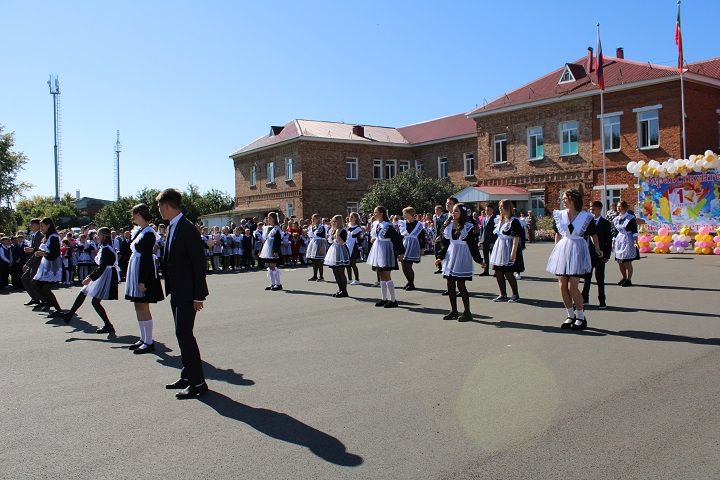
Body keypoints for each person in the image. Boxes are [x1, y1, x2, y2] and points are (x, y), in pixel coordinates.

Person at [157, 188, 210, 399]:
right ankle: (187, 375)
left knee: (185, 334)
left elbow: (199, 264)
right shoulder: (173, 226)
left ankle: (198, 382)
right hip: (177, 291)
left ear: (167, 206)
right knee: (181, 334)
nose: (159, 210)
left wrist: (199, 295)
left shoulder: (187, 229)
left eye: (160, 206)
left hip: (189, 292)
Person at [546, 190, 603, 330]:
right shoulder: (559, 215)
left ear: (573, 200)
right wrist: (556, 250)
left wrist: (597, 248)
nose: (563, 200)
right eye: (563, 198)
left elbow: (593, 234)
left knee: (573, 286)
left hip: (578, 249)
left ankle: (581, 316)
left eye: (566, 198)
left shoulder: (585, 217)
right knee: (562, 285)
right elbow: (558, 234)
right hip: (563, 249)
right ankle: (570, 315)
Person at [61, 227, 119, 333]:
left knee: (95, 301)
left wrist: (90, 278)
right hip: (103, 273)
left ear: (104, 236)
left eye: (99, 234)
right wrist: (90, 278)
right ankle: (69, 314)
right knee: (83, 292)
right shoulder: (105, 247)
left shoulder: (106, 248)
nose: (97, 236)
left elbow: (102, 267)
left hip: (106, 274)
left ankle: (108, 325)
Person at [124, 204, 165, 354]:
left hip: (143, 272)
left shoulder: (149, 233)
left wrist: (142, 281)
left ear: (140, 214)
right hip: (136, 269)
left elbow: (147, 258)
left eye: (134, 214)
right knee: (138, 305)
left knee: (143, 305)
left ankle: (148, 341)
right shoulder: (140, 231)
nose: (133, 217)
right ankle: (143, 338)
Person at [435, 203, 483, 322]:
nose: (453, 213)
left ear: (462, 213)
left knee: (461, 285)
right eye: (453, 211)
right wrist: (440, 257)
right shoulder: (448, 225)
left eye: (456, 211)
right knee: (450, 284)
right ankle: (454, 311)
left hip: (462, 256)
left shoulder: (467, 226)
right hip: (451, 256)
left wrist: (480, 260)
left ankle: (467, 312)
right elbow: (446, 244)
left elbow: (472, 245)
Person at [366, 206, 405, 308]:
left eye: (376, 212)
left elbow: (397, 239)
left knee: (387, 275)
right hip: (379, 250)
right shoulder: (377, 224)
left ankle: (393, 300)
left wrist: (401, 252)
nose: (374, 214)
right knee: (381, 275)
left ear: (381, 213)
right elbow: (375, 237)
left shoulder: (388, 226)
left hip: (386, 251)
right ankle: (384, 298)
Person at [488, 199, 525, 302]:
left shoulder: (514, 221)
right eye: (500, 207)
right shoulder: (500, 220)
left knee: (508, 272)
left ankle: (515, 294)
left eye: (502, 207)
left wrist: (513, 252)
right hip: (500, 247)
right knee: (498, 271)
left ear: (508, 208)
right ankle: (503, 294)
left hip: (509, 247)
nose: (500, 209)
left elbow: (516, 237)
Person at [581, 201, 612, 309]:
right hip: (588, 254)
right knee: (587, 278)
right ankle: (585, 298)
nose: (591, 211)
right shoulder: (586, 222)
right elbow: (583, 238)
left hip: (600, 256)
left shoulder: (606, 223)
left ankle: (602, 300)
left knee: (600, 279)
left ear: (599, 209)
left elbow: (608, 240)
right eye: (590, 209)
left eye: (593, 209)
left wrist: (607, 256)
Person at [31, 217, 64, 317]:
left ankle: (58, 310)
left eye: (42, 226)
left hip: (53, 265)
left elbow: (55, 254)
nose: (41, 228)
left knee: (46, 288)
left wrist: (42, 254)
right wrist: (33, 250)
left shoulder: (54, 237)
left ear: (48, 225)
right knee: (35, 283)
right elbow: (44, 249)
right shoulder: (47, 237)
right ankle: (48, 302)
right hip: (45, 264)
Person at [398, 207, 426, 291]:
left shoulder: (419, 224)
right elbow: (399, 236)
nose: (403, 215)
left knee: (408, 265)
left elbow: (422, 237)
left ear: (410, 214)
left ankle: (411, 283)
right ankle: (409, 282)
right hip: (404, 245)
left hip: (413, 245)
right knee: (403, 265)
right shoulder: (403, 223)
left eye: (405, 213)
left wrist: (422, 248)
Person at [613, 201, 639, 287]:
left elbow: (635, 232)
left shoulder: (630, 218)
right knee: (620, 262)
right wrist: (613, 241)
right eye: (617, 206)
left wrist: (636, 242)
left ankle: (629, 279)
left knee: (627, 262)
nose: (618, 208)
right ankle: (624, 277)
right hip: (619, 240)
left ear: (624, 207)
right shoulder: (616, 219)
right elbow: (615, 231)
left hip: (628, 239)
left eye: (620, 206)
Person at [324, 215, 351, 297]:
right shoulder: (333, 230)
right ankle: (340, 290)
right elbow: (331, 241)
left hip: (341, 251)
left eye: (335, 221)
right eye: (333, 221)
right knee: (335, 272)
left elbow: (342, 242)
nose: (333, 223)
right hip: (334, 251)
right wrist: (333, 233)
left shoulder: (343, 231)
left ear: (339, 221)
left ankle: (344, 291)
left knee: (341, 272)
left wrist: (338, 234)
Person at [21, 219, 44, 305]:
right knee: (25, 279)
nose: (29, 225)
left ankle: (44, 300)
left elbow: (38, 251)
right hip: (33, 261)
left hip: (38, 262)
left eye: (31, 224)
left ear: (37, 225)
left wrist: (27, 264)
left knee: (34, 282)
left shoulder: (40, 235)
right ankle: (35, 298)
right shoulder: (34, 235)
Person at [259, 212, 283, 291]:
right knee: (270, 266)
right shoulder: (268, 228)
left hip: (273, 250)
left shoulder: (277, 228)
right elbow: (265, 240)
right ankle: (272, 283)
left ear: (273, 219)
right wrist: (261, 250)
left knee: (273, 267)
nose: (268, 219)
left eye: (269, 218)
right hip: (268, 250)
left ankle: (278, 284)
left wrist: (276, 251)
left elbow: (278, 240)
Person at [305, 213, 327, 281]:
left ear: (318, 219)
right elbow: (311, 236)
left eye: (314, 219)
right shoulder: (312, 227)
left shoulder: (321, 227)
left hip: (319, 243)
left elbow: (323, 238)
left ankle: (321, 276)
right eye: (312, 219)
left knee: (319, 261)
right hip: (313, 243)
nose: (312, 220)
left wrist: (322, 247)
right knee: (314, 261)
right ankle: (315, 276)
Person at [479, 204, 499, 276]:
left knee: (493, 256)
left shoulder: (495, 218)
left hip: (492, 240)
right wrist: (480, 239)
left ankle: (496, 271)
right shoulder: (484, 218)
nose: (486, 211)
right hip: (484, 240)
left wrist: (494, 241)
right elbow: (482, 230)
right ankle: (486, 271)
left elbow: (496, 231)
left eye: (488, 210)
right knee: (485, 256)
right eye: (485, 210)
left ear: (492, 210)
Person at [345, 212, 363, 285]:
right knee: (347, 264)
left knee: (353, 264)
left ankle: (357, 279)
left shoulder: (358, 228)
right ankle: (349, 278)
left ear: (356, 218)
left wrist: (348, 229)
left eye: (352, 217)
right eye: (350, 217)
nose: (350, 218)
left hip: (353, 247)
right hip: (346, 245)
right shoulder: (347, 226)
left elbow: (353, 235)